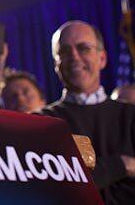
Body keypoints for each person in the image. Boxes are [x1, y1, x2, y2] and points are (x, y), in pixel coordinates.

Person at [39, 20, 135, 204]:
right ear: (55, 64)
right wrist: (122, 164)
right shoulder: (42, 122)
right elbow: (57, 188)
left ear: (102, 59)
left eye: (83, 48)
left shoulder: (131, 116)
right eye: (65, 51)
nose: (74, 56)